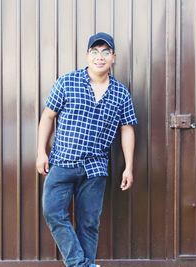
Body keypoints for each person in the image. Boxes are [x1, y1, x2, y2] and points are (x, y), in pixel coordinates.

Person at [36, 32, 137, 267]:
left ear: (113, 57)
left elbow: (127, 129)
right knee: (52, 211)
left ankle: (84, 264)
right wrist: (41, 151)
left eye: (105, 52)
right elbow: (47, 117)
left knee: (89, 223)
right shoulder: (67, 82)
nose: (99, 57)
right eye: (94, 51)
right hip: (62, 162)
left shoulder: (121, 93)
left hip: (95, 168)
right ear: (87, 55)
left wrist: (128, 167)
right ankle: (80, 264)